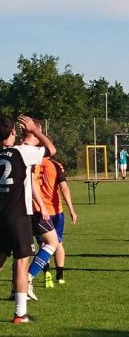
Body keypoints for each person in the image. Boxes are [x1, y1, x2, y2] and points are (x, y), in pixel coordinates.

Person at [0, 115, 56, 324]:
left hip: (1, 214)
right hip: (19, 215)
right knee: (22, 263)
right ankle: (20, 314)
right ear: (13, 132)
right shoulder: (22, 152)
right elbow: (51, 150)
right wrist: (36, 130)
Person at [37, 156, 78, 287]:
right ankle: (60, 276)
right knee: (58, 243)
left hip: (38, 210)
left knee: (44, 244)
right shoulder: (55, 165)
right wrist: (71, 209)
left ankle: (47, 273)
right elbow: (64, 188)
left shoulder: (32, 163)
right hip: (55, 211)